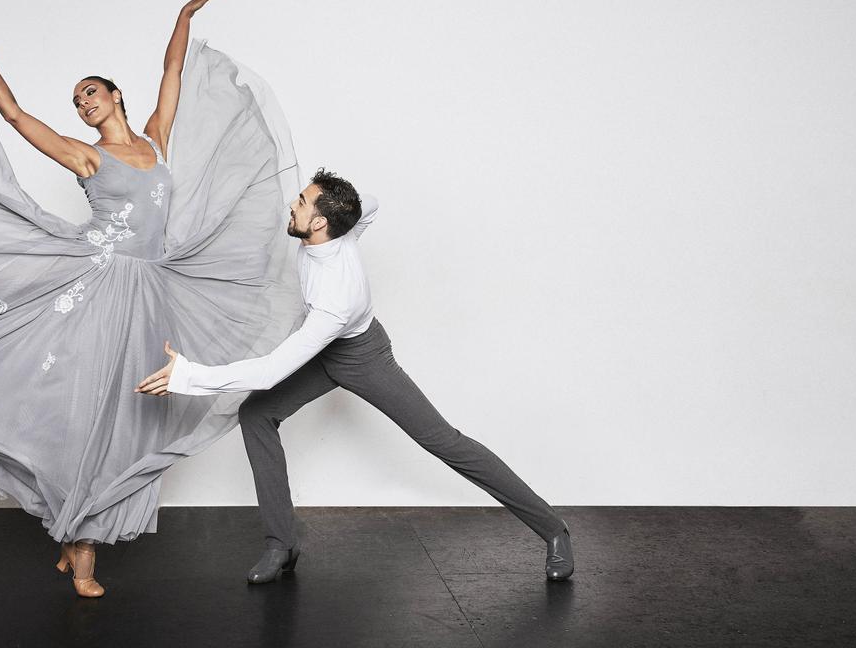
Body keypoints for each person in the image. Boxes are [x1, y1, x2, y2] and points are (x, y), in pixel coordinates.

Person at [0, 0, 305, 597]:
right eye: (76, 102)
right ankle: (81, 552)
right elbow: (18, 119)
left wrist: (181, 18)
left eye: (90, 94)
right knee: (95, 415)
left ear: (114, 94)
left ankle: (80, 526)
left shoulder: (155, 139)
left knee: (138, 417)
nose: (82, 106)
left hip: (151, 293)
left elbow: (173, 70)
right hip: (100, 289)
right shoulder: (88, 158)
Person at [136, 169, 575, 582]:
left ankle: (553, 529)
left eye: (303, 201)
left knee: (442, 440)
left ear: (321, 221)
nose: (293, 204)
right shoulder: (336, 228)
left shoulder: (336, 297)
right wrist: (351, 205)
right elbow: (372, 204)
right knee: (256, 416)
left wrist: (186, 376)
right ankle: (281, 543)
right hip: (321, 346)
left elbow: (270, 371)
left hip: (361, 356)